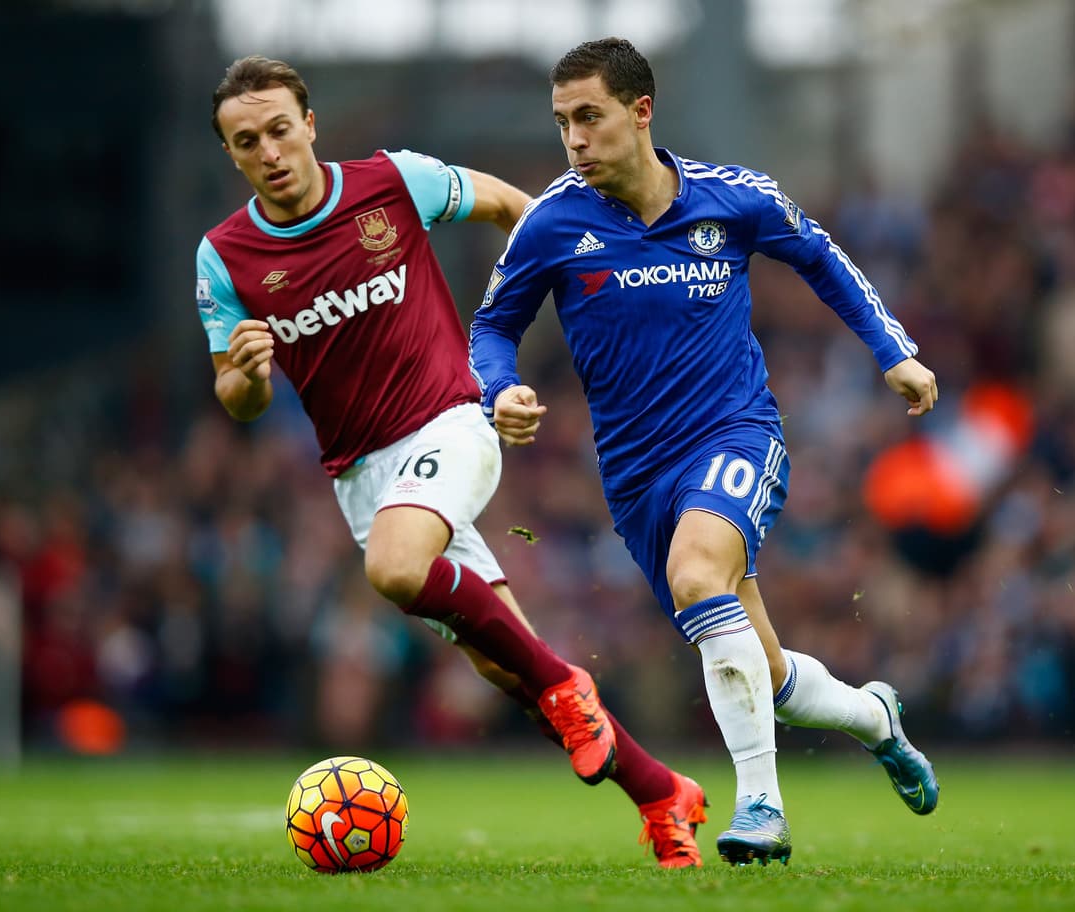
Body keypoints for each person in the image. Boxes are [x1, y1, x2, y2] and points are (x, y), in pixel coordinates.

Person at [194, 54, 708, 868]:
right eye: (247, 140)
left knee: (398, 571)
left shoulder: (393, 182)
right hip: (361, 476)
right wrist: (247, 374)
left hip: (449, 424)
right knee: (510, 667)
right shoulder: (223, 258)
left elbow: (512, 206)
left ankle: (569, 686)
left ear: (311, 125)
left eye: (281, 130)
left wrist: (581, 292)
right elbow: (236, 396)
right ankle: (660, 793)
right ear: (231, 152)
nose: (269, 152)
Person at [468, 37, 940, 867]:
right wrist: (498, 389)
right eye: (562, 123)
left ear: (640, 112)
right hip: (636, 479)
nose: (573, 140)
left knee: (698, 578)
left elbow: (822, 257)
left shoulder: (731, 199)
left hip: (734, 435)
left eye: (590, 117)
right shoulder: (551, 222)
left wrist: (892, 351)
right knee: (769, 675)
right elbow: (492, 326)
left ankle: (761, 806)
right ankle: (877, 718)